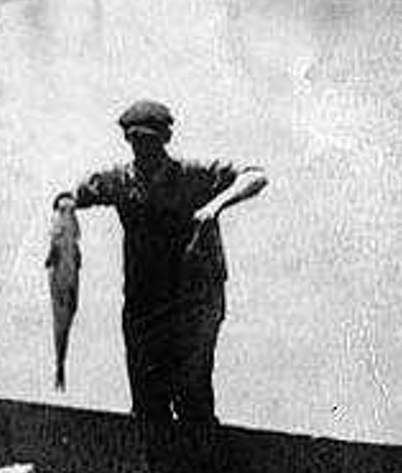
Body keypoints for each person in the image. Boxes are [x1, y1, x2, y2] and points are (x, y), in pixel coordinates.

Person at [58, 100, 266, 427]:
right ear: (128, 140)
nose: (144, 148)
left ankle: (199, 470)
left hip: (193, 303)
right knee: (147, 401)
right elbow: (74, 194)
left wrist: (216, 206)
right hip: (145, 303)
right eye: (137, 140)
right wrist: (65, 206)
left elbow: (255, 176)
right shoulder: (119, 179)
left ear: (166, 138)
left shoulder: (193, 174)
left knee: (192, 396)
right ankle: (159, 472)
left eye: (151, 140)